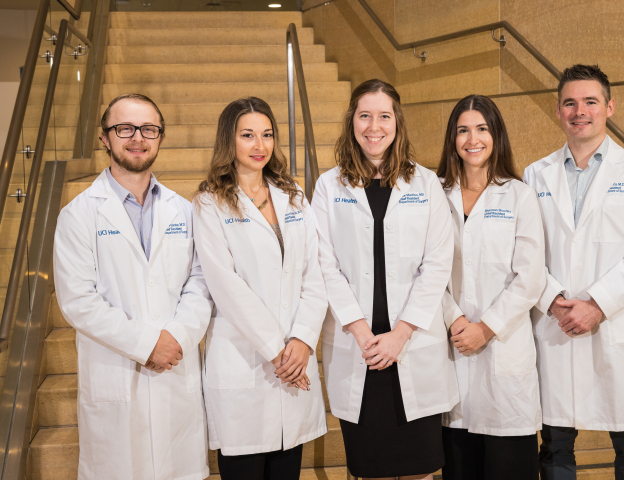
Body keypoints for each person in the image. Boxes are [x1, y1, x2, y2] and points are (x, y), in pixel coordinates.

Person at [53, 94, 213, 480]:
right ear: (104, 138)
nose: (137, 137)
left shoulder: (184, 210)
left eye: (148, 129)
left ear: (160, 136)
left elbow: (201, 281)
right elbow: (78, 301)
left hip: (176, 366)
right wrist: (147, 344)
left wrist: (175, 337)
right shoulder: (78, 215)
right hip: (116, 372)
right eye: (124, 128)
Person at [523, 64, 624, 479]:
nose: (579, 110)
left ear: (609, 107)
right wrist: (551, 300)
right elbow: (526, 252)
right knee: (554, 446)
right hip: (557, 324)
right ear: (558, 111)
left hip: (614, 325)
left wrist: (597, 306)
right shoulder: (536, 174)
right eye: (570, 103)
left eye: (590, 101)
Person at [312, 78, 459, 480]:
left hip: (409, 343)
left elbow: (437, 264)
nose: (373, 126)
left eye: (383, 116)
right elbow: (324, 264)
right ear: (351, 122)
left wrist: (400, 335)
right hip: (359, 347)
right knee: (369, 470)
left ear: (397, 122)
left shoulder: (425, 183)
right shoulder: (329, 185)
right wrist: (363, 334)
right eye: (364, 116)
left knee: (420, 470)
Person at [193, 97, 328, 480]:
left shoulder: (294, 196)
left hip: (294, 360)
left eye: (267, 135)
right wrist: (278, 351)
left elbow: (314, 276)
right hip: (246, 360)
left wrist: (302, 341)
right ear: (229, 141)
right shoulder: (210, 203)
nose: (259, 145)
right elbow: (225, 286)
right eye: (248, 135)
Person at [438, 95, 545, 480]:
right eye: (463, 130)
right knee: (459, 467)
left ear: (496, 134)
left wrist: (485, 328)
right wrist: (455, 320)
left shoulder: (519, 195)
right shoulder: (434, 194)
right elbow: (424, 270)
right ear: (452, 138)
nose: (473, 139)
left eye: (482, 128)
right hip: (452, 347)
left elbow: (530, 277)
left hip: (503, 350)